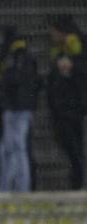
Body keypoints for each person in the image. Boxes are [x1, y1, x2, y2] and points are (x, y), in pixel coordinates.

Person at [0, 26, 40, 192]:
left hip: (18, 109)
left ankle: (20, 189)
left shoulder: (18, 57)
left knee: (16, 148)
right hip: (15, 108)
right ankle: (6, 188)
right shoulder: (19, 56)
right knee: (7, 149)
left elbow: (15, 80)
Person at [47, 15, 87, 190]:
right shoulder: (60, 51)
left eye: (54, 33)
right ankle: (76, 182)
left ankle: (78, 183)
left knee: (75, 148)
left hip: (73, 108)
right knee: (71, 147)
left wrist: (72, 67)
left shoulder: (78, 48)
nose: (52, 36)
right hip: (63, 108)